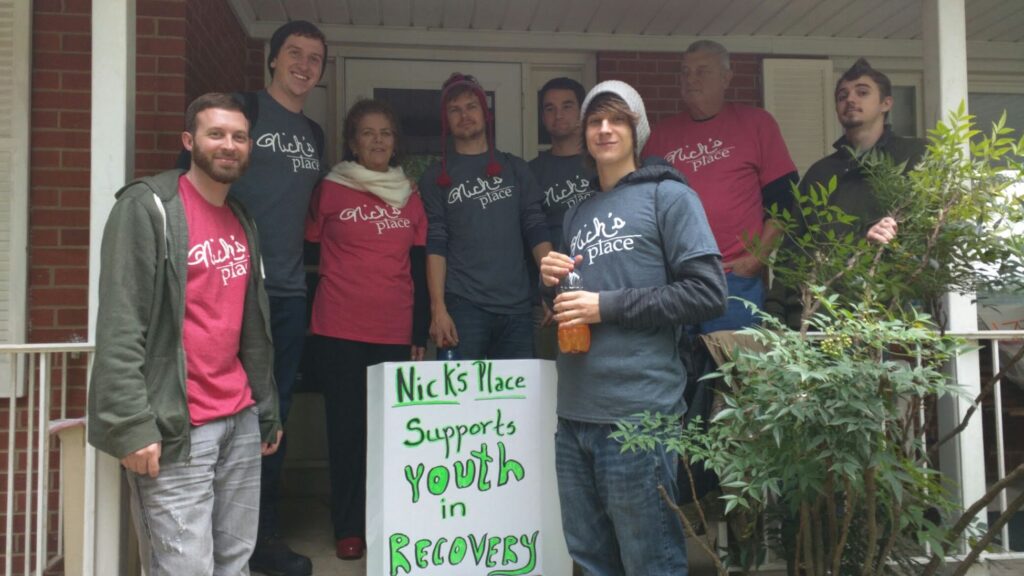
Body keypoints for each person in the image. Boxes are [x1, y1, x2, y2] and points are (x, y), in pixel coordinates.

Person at [87, 92, 282, 575]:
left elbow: (252, 329)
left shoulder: (241, 219)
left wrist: (266, 408)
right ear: (189, 140)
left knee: (234, 561)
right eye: (216, 134)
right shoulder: (148, 207)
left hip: (238, 417)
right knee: (185, 567)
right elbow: (120, 323)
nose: (229, 145)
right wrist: (131, 424)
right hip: (178, 425)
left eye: (239, 136)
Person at [541, 80, 727, 575]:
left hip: (639, 418)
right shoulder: (577, 212)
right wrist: (552, 284)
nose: (604, 129)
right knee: (590, 561)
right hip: (575, 415)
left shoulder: (668, 196)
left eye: (617, 119)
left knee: (651, 562)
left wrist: (607, 305)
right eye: (595, 120)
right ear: (584, 134)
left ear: (636, 129)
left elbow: (708, 293)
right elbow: (575, 302)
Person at [305, 99, 429, 561]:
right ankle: (349, 526)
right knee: (346, 432)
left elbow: (417, 267)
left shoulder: (411, 194)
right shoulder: (329, 190)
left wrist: (420, 334)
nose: (377, 140)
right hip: (338, 328)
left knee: (393, 433)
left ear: (395, 142)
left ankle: (392, 521)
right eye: (367, 133)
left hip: (395, 330)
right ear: (353, 141)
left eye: (386, 133)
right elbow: (307, 255)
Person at [228, 20, 326, 575]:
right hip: (234, 291)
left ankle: (264, 539)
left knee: (274, 418)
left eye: (315, 58)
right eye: (294, 53)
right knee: (223, 414)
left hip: (288, 295)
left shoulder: (313, 135)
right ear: (272, 58)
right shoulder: (243, 111)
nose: (304, 65)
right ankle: (226, 542)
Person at [644, 40, 798, 332]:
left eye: (702, 71)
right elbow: (645, 208)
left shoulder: (756, 124)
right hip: (677, 281)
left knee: (733, 370)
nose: (691, 79)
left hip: (735, 278)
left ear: (727, 78)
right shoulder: (660, 136)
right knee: (680, 372)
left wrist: (757, 258)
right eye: (685, 72)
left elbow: (785, 199)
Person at [765, 58, 926, 327]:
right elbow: (792, 250)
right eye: (843, 96)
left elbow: (933, 232)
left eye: (862, 92)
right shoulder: (820, 173)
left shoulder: (916, 156)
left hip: (888, 320)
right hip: (813, 320)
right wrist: (774, 313)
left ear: (886, 103)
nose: (850, 99)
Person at [420, 73, 552, 359]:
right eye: (454, 110)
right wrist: (438, 308)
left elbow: (536, 229)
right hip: (463, 307)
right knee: (458, 401)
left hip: (517, 308)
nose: (464, 115)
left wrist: (551, 288)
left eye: (471, 106)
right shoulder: (434, 177)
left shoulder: (515, 168)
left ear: (485, 113)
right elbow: (435, 242)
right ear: (445, 119)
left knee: (517, 402)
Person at [529, 77, 594, 359]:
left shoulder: (599, 165)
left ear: (581, 111)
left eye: (567, 106)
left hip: (598, 294)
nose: (558, 115)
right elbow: (531, 229)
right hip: (548, 302)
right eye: (549, 108)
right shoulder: (531, 171)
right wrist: (548, 293)